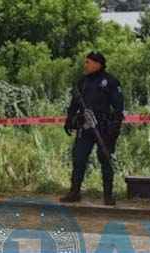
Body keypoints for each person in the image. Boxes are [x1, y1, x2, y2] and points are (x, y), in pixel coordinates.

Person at [61, 52, 124, 206]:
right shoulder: (82, 82)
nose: (86, 65)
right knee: (79, 159)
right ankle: (74, 193)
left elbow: (119, 107)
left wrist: (115, 127)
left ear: (97, 64)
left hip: (104, 128)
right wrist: (69, 120)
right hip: (86, 126)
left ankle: (108, 196)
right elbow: (74, 104)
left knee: (105, 159)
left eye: (88, 62)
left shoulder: (111, 81)